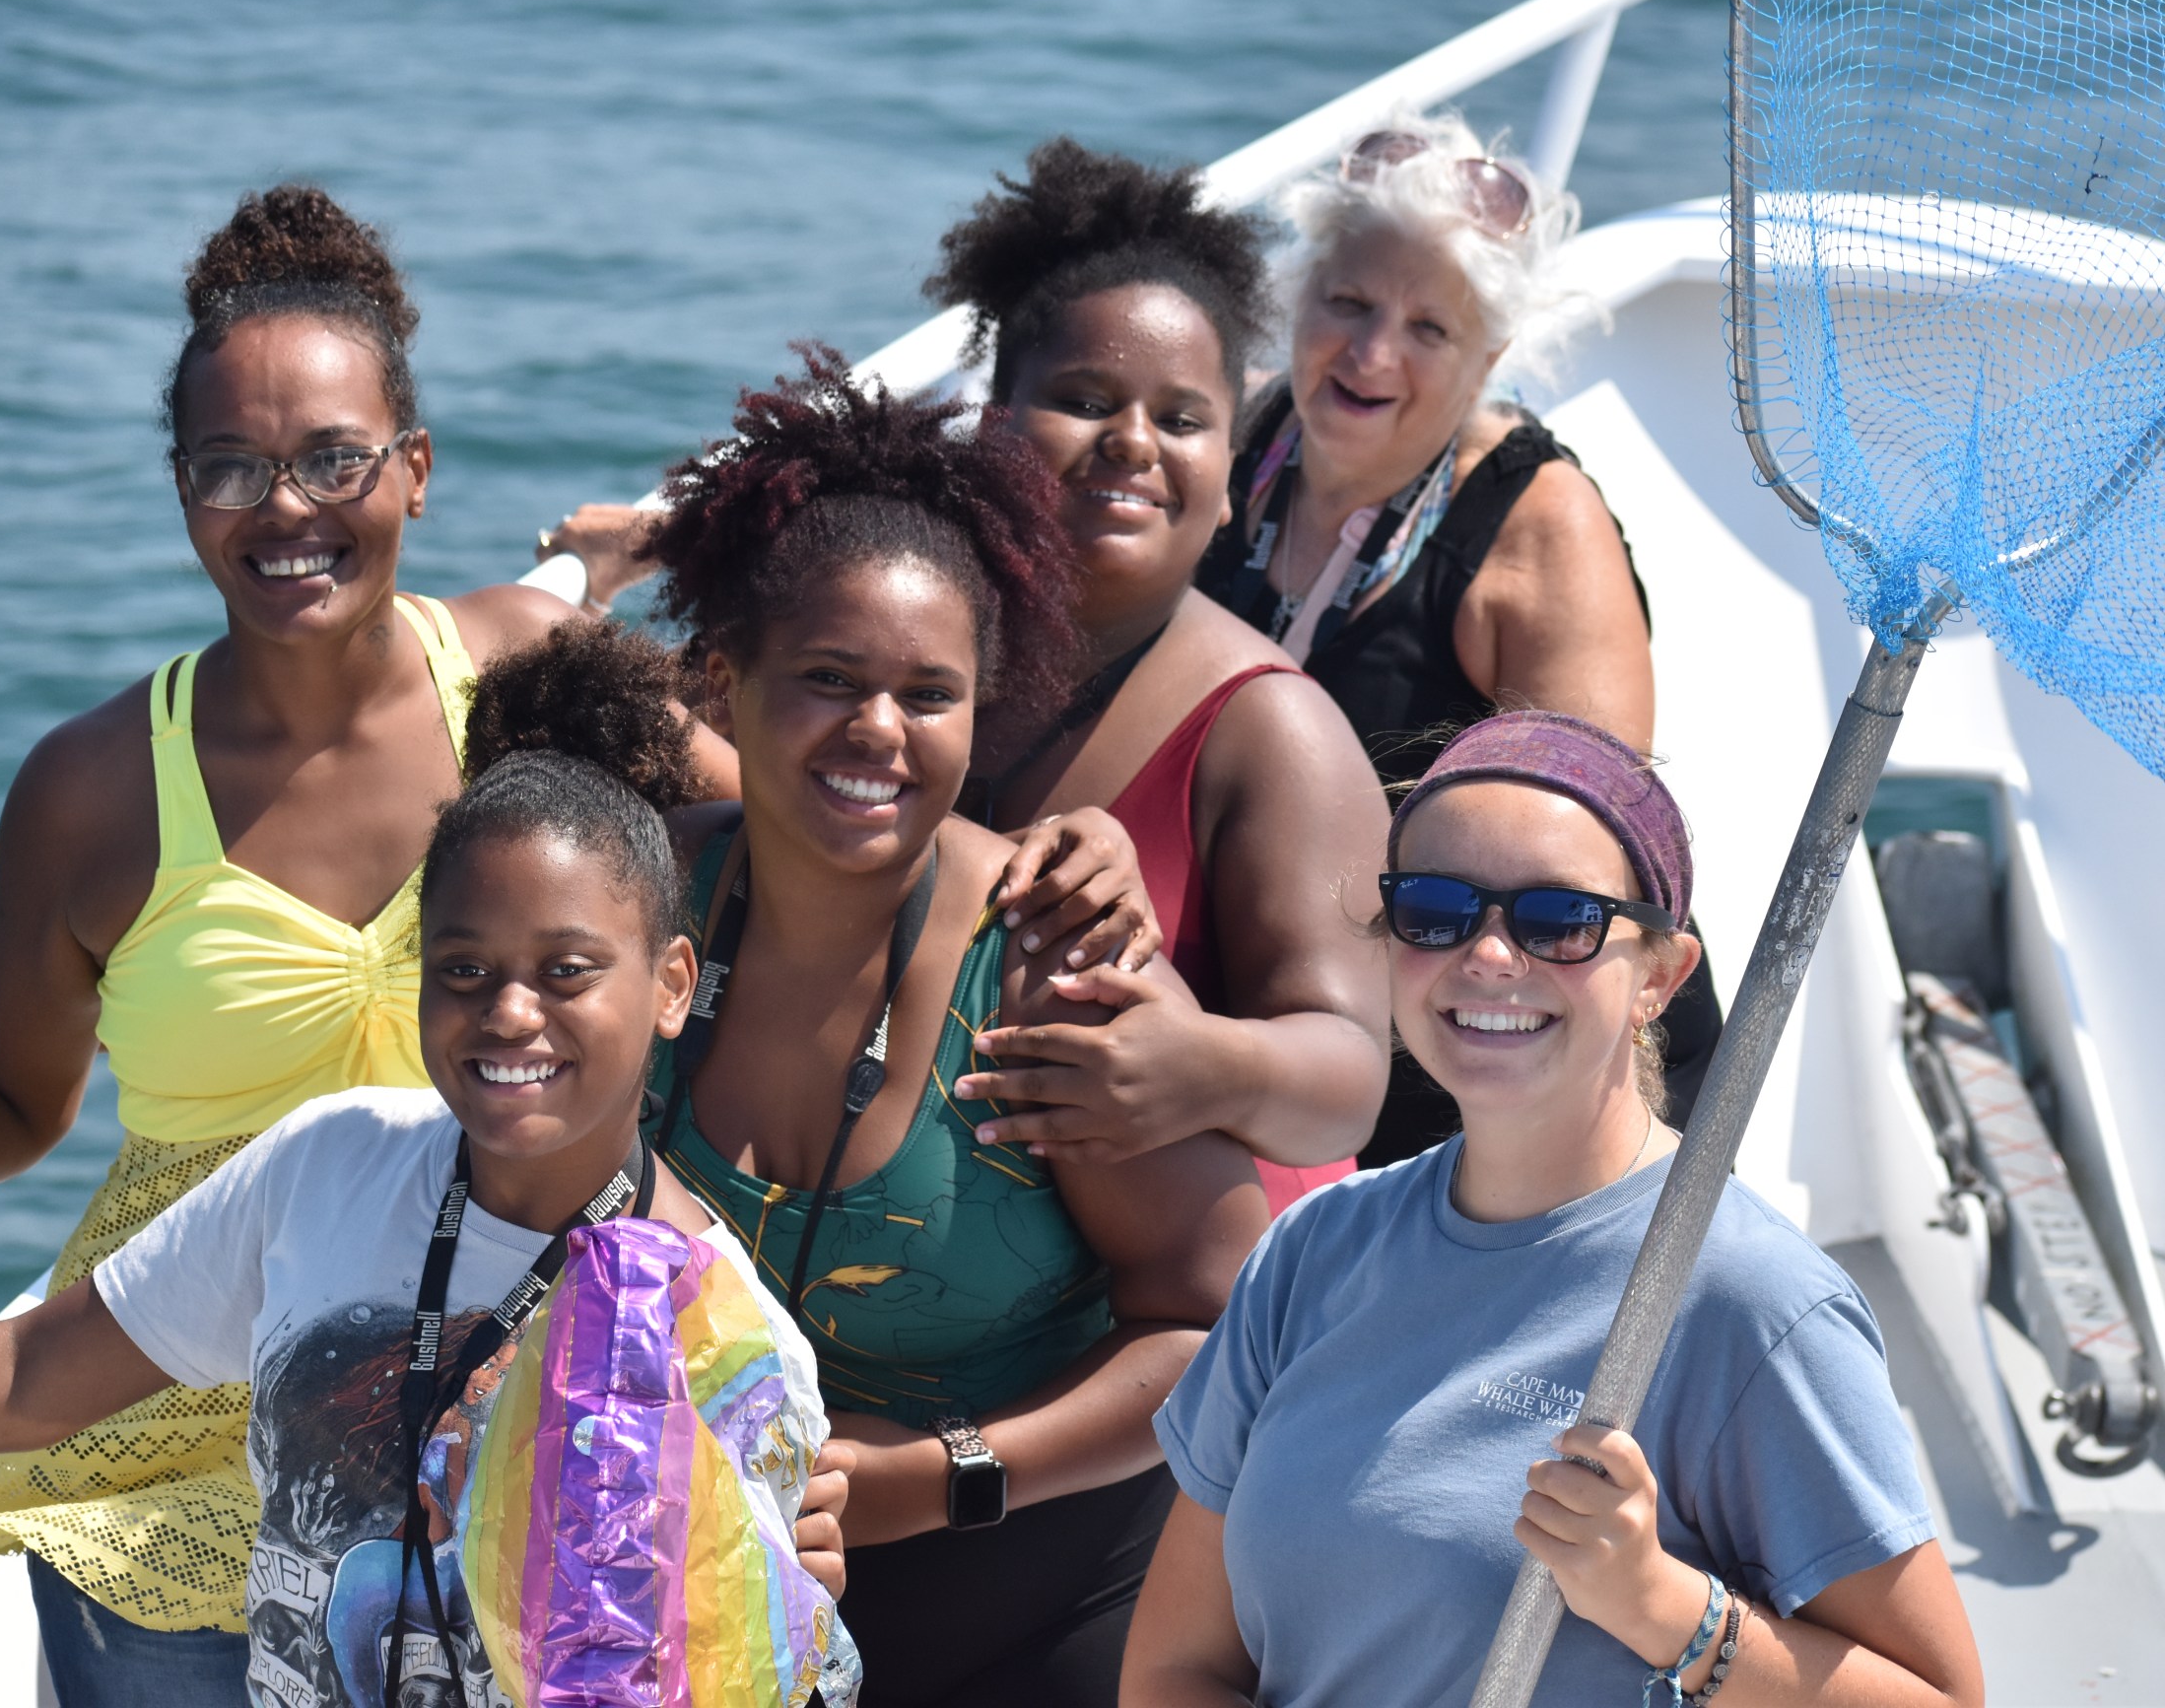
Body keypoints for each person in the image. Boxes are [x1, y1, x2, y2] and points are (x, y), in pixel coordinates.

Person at [0, 620, 853, 1707]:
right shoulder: (326, 1166)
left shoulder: (726, 1336)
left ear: (672, 984)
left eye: (568, 970)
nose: (509, 1013)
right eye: (462, 968)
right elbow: (29, 1378)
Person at [630, 348, 1269, 1707]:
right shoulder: (635, 901)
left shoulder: (1046, 962)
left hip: (1040, 1602)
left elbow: (1215, 1321)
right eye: (825, 678)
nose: (878, 731)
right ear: (724, 676)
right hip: (695, 1590)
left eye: (930, 695)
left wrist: (938, 1480)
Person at [1126, 711, 1984, 1708]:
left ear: (1658, 977)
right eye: (1438, 909)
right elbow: (1176, 1669)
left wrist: (1665, 1607)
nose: (1490, 956)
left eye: (1558, 920)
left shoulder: (1752, 1304)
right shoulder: (1314, 1250)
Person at [1196, 106, 1721, 1166]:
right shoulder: (1241, 446)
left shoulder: (1538, 526)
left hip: (1498, 1044)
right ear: (1295, 298)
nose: (1372, 352)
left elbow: (1585, 875)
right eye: (1346, 300)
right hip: (1294, 1005)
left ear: (1489, 357)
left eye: (1429, 329)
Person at [917, 139, 1389, 1214]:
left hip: (1203, 1291)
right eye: (1084, 400)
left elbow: (1349, 1079)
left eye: (1182, 421)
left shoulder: (1271, 732)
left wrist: (1198, 1067)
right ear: (992, 426)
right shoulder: (907, 647)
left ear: (1229, 483)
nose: (1133, 442)